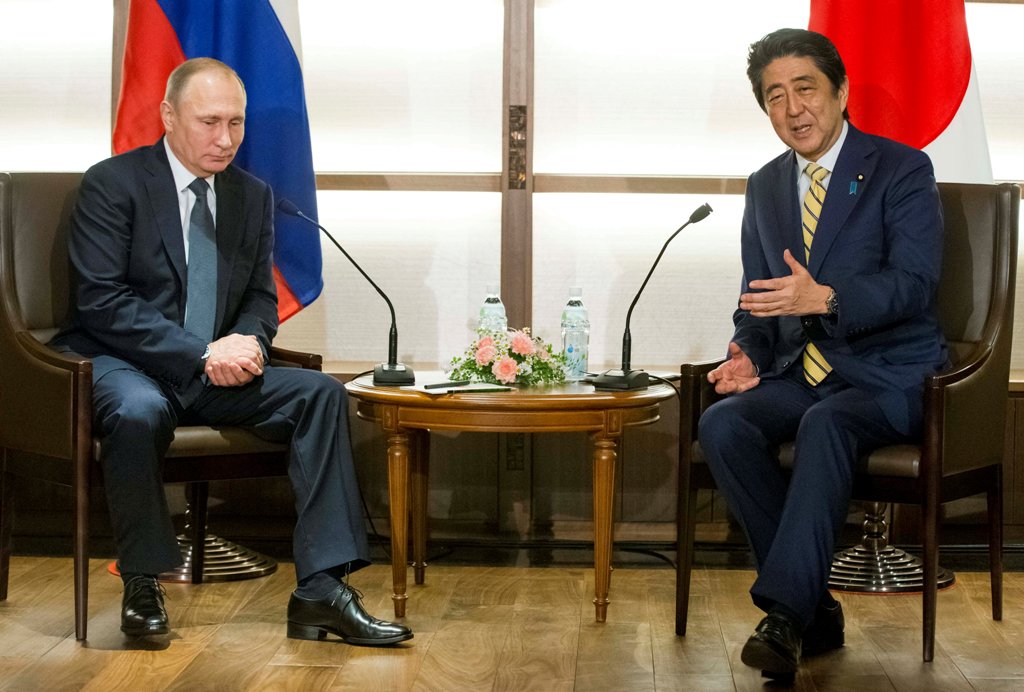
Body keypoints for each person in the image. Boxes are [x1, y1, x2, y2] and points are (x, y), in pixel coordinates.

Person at [50, 57, 412, 646]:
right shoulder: (113, 183)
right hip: (124, 361)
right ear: (168, 116)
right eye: (209, 121)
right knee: (139, 410)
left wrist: (248, 342)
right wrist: (200, 353)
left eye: (236, 123)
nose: (225, 139)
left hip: (211, 367)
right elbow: (102, 302)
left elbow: (259, 300)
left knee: (320, 395)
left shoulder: (251, 195)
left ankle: (321, 591)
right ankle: (143, 582)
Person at [698, 28, 946, 678]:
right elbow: (758, 296)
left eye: (804, 88)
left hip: (888, 374)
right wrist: (750, 351)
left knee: (826, 421)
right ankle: (817, 607)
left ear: (839, 92)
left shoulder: (902, 168)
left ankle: (784, 614)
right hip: (804, 373)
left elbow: (915, 283)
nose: (792, 109)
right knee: (723, 424)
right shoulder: (765, 186)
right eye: (774, 97)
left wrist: (827, 299)